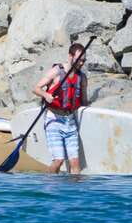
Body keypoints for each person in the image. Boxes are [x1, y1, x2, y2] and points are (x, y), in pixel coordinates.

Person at [32, 43, 89, 174]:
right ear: (70, 56)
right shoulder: (56, 71)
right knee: (59, 160)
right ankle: (50, 187)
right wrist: (46, 95)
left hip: (70, 121)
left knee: (75, 162)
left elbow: (84, 102)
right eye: (79, 60)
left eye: (83, 60)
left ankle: (75, 193)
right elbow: (35, 88)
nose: (81, 63)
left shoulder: (82, 78)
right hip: (54, 120)